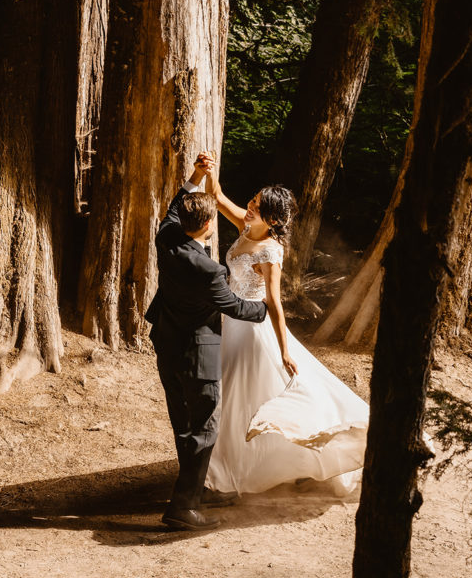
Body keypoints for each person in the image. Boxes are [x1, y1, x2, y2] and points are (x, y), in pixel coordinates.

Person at [200, 153, 368, 496]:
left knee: (239, 392)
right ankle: (221, 462)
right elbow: (216, 197)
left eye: (257, 206)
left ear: (273, 220)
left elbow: (274, 304)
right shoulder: (247, 226)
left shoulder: (270, 252)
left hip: (250, 328)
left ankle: (231, 468)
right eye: (252, 200)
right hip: (228, 321)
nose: (250, 207)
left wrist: (285, 350)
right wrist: (208, 169)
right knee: (227, 389)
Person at [145, 157, 268, 531]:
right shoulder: (209, 270)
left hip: (167, 344)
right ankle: (183, 507)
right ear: (208, 225)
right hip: (198, 355)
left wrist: (196, 177)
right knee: (204, 427)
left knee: (183, 424)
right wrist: (265, 307)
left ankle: (196, 489)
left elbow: (173, 207)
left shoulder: (167, 236)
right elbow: (234, 306)